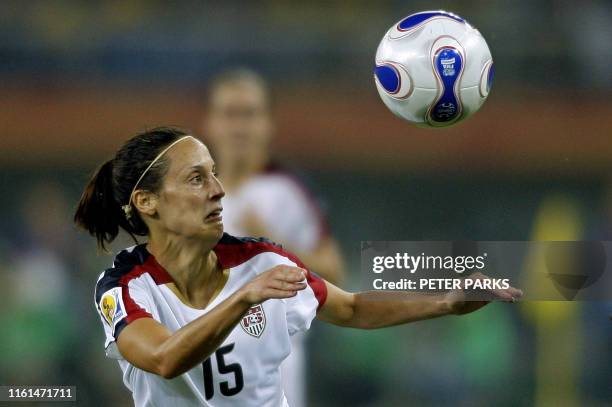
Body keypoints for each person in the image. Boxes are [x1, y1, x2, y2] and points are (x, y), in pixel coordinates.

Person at [74, 127, 522, 407]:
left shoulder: (261, 260)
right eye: (196, 178)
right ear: (146, 201)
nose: (218, 190)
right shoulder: (125, 286)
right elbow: (163, 358)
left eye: (214, 174)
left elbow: (350, 309)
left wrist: (445, 303)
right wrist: (242, 299)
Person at [203, 68, 344, 407]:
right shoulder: (189, 193)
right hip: (203, 357)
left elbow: (335, 272)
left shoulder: (287, 191)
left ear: (267, 124)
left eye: (249, 114)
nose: (239, 127)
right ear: (210, 123)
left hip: (274, 361)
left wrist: (271, 246)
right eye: (229, 114)